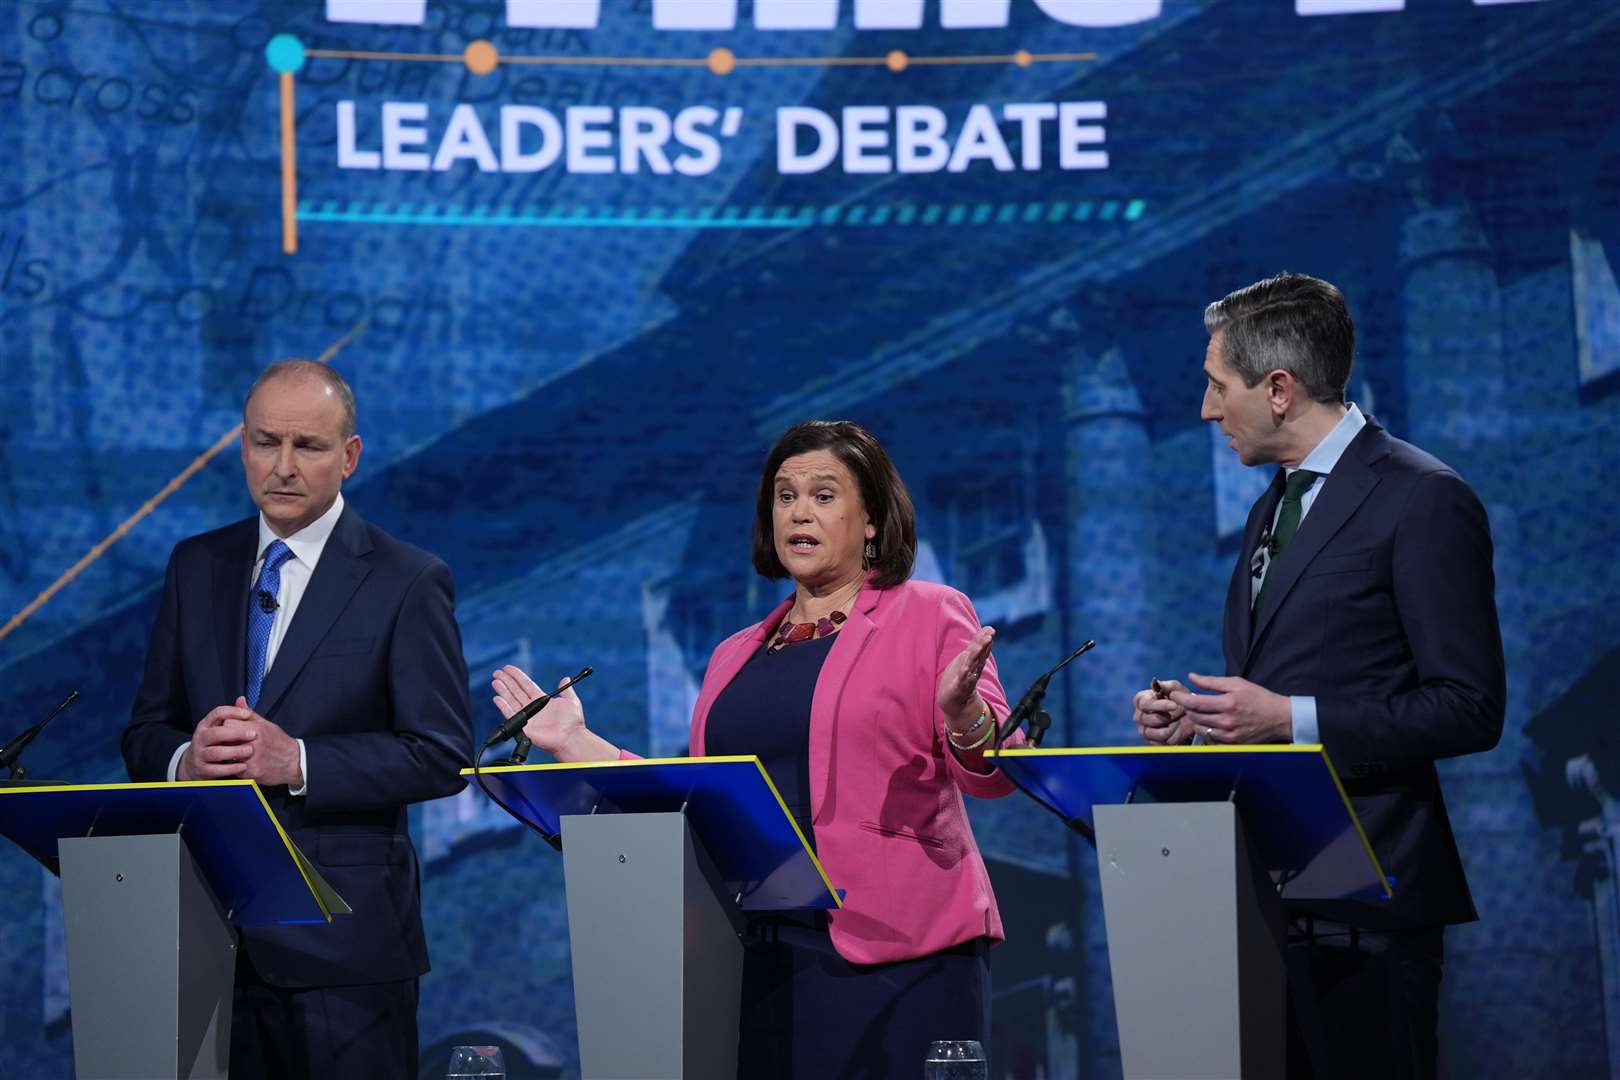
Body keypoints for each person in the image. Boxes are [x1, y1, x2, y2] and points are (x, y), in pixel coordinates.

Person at [492, 419, 1023, 1078]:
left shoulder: (930, 612)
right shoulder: (732, 655)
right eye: (784, 494)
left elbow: (997, 774)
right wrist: (574, 741)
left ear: (870, 520)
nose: (799, 511)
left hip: (904, 949)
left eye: (824, 495)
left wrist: (963, 713)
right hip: (760, 952)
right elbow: (696, 798)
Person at [1132, 272, 1505, 1079]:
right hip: (1261, 903)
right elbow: (1276, 684)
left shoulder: (1424, 499)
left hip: (1369, 910)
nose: (1205, 409)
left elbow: (1469, 708)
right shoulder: (1272, 506)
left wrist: (1288, 719)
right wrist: (1201, 722)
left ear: (1277, 389)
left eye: (1215, 386)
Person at [123, 359, 473, 1079]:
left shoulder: (406, 579)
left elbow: (440, 754)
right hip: (208, 935)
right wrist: (186, 760)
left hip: (344, 950)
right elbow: (144, 731)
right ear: (242, 446)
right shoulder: (197, 565)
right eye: (264, 442)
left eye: (307, 447)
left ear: (349, 457)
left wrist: (301, 761)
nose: (281, 467)